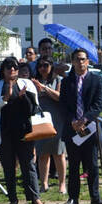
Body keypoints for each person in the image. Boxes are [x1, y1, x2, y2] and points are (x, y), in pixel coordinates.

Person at [0, 57, 44, 204]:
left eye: (14, 68)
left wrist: (23, 97)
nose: (12, 70)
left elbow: (34, 107)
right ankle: (13, 199)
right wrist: (5, 98)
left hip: (24, 131)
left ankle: (35, 198)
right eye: (8, 68)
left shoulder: (26, 84)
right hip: (5, 132)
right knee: (9, 167)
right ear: (3, 71)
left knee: (28, 166)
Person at [59, 48, 102, 204]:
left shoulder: (96, 80)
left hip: (89, 128)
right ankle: (73, 197)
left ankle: (95, 197)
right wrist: (73, 121)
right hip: (72, 129)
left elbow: (98, 106)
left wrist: (84, 120)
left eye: (83, 59)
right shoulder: (66, 82)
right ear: (72, 61)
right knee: (74, 165)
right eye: (77, 59)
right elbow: (62, 105)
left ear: (88, 61)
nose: (81, 62)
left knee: (92, 164)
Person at [31, 57, 66, 195]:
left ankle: (62, 184)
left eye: (46, 65)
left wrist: (44, 88)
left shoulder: (57, 80)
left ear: (51, 66)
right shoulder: (34, 81)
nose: (43, 68)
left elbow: (59, 97)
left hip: (56, 119)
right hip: (40, 120)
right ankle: (44, 183)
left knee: (59, 153)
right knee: (42, 153)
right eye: (40, 66)